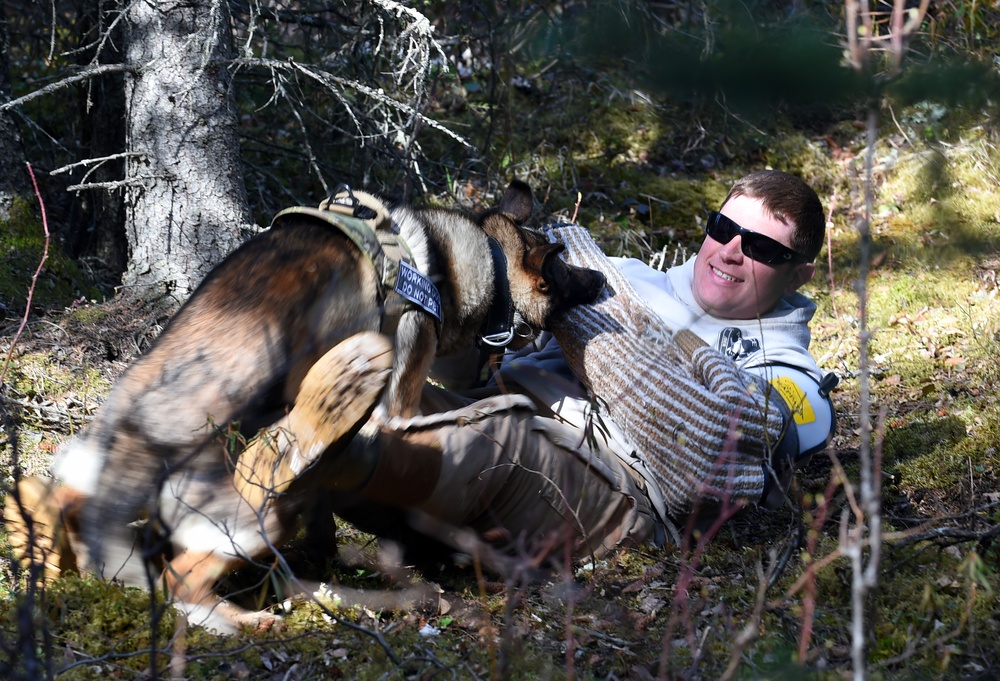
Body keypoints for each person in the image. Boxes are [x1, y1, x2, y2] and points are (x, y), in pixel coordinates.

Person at [296, 169, 837, 566]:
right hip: (490, 407)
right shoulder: (620, 274)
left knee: (496, 437)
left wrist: (590, 322)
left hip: (615, 485)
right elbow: (471, 372)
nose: (731, 250)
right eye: (723, 227)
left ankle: (324, 459)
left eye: (762, 246)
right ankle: (281, 483)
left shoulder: (793, 375)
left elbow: (735, 437)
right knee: (354, 378)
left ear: (799, 275)